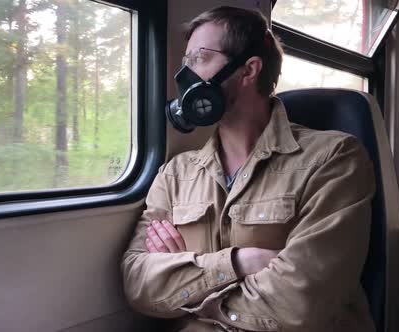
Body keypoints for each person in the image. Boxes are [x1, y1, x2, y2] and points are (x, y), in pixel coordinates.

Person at [121, 6, 376, 332]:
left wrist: (189, 292)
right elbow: (138, 283)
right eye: (185, 63)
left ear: (248, 70)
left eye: (199, 58)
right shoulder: (175, 175)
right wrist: (241, 262)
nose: (185, 77)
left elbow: (301, 302)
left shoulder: (334, 159)